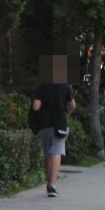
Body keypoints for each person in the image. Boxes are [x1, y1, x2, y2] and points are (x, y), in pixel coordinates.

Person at [30, 54, 76, 198]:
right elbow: (72, 105)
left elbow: (36, 107)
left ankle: (48, 182)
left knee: (48, 154)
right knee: (57, 152)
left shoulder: (42, 85)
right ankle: (53, 186)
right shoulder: (66, 85)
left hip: (45, 125)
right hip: (60, 123)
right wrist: (67, 113)